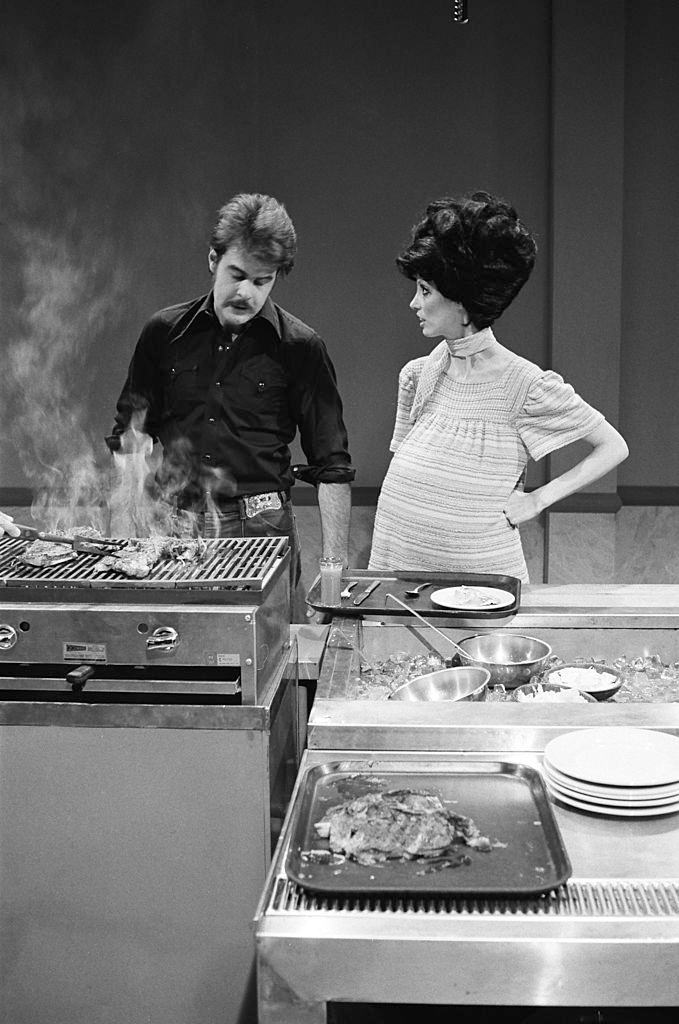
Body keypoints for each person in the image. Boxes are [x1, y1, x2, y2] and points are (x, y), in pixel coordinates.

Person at [107, 193, 354, 618]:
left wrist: (334, 575)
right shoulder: (163, 333)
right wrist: (128, 531)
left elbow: (332, 466)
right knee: (173, 651)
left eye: (262, 281)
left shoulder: (300, 347)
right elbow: (132, 433)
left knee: (271, 661)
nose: (246, 292)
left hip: (262, 527)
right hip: (174, 523)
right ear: (212, 260)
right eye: (236, 274)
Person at [368, 191, 628, 582]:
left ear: (461, 300)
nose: (413, 304)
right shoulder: (417, 375)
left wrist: (538, 500)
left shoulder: (524, 385)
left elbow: (613, 447)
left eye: (425, 290)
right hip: (399, 563)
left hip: (480, 579)